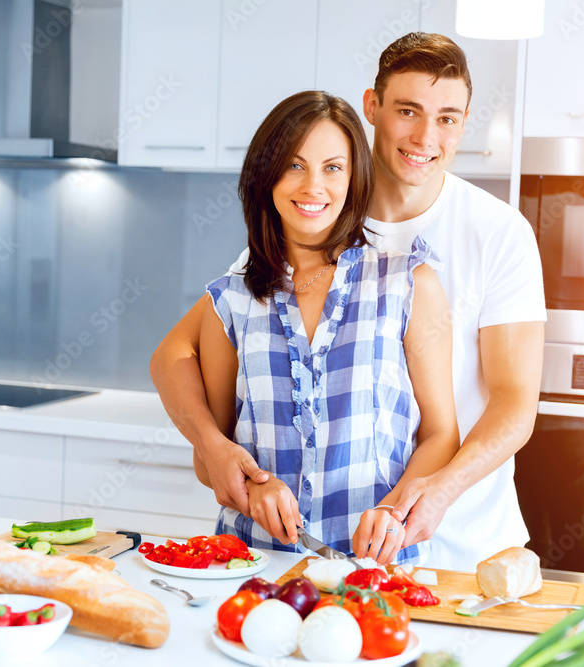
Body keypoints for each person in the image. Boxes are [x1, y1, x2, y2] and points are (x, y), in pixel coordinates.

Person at [151, 32, 546, 572]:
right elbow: (183, 350)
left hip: (463, 537)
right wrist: (217, 452)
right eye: (408, 110)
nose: (426, 135)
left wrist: (437, 489)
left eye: (448, 118)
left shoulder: (496, 233)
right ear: (373, 108)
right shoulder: (311, 220)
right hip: (290, 557)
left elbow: (514, 404)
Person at [198, 90, 458, 565]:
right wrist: (253, 488)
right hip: (250, 566)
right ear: (265, 176)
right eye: (294, 165)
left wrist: (393, 510)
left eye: (333, 167)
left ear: (355, 177)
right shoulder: (230, 301)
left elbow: (442, 434)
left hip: (376, 568)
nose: (313, 186)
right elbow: (211, 455)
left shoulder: (407, 282)